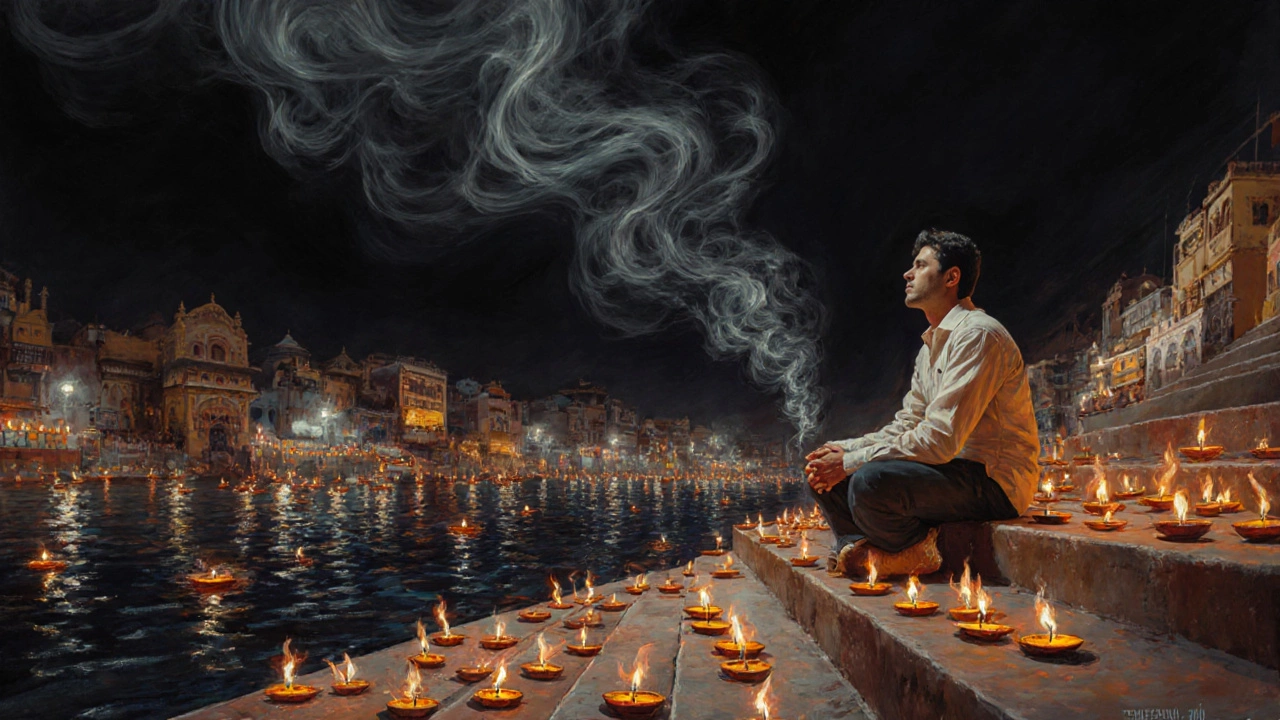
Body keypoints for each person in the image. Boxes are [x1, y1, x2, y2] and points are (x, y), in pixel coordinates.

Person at [805, 230, 1039, 577]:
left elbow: (941, 440)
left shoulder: (978, 334)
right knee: (823, 472)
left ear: (951, 277)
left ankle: (913, 550)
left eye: (920, 265)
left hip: (992, 482)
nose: (907, 274)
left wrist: (852, 461)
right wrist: (843, 450)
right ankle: (863, 547)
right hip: (948, 470)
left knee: (868, 482)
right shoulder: (929, 349)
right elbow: (908, 424)